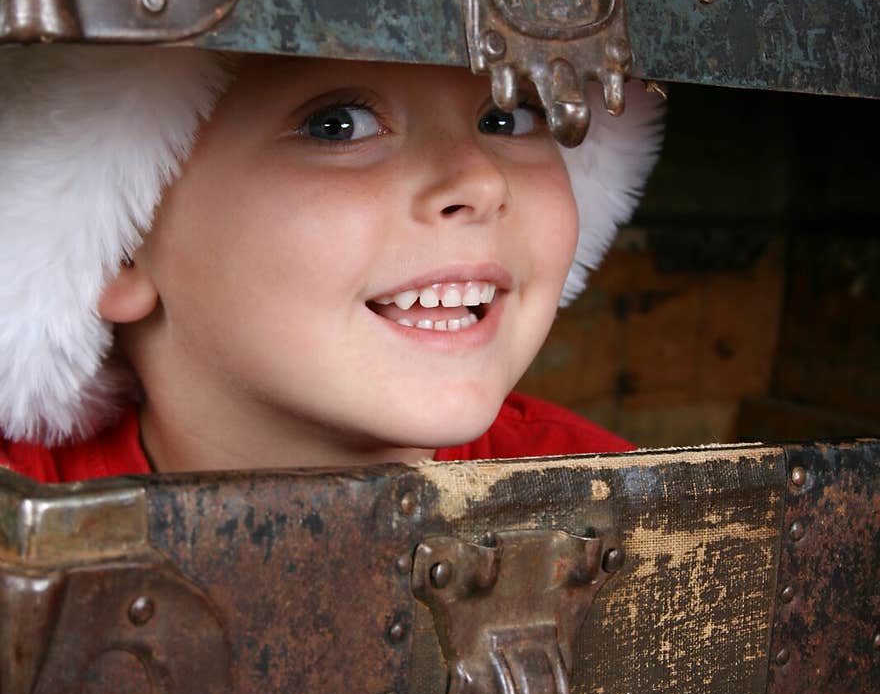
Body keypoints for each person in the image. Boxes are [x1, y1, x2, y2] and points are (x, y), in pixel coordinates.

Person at [0, 44, 664, 481]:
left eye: (509, 119)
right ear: (119, 244)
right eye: (337, 126)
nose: (482, 183)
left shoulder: (628, 511)